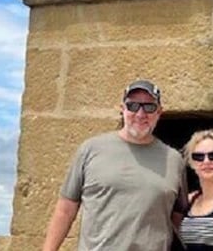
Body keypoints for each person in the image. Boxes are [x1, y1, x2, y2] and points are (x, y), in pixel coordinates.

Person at [42, 79, 188, 251]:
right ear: (122, 109)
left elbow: (178, 214)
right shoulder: (90, 150)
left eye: (149, 107)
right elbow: (65, 210)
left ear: (159, 112)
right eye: (132, 106)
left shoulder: (174, 160)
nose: (140, 114)